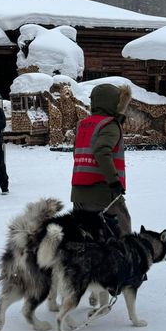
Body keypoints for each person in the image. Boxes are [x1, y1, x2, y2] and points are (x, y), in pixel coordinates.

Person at [71, 82, 132, 236]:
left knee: (88, 237)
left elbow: (77, 152)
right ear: (113, 103)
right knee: (123, 233)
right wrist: (114, 181)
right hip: (103, 191)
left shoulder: (83, 125)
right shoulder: (110, 125)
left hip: (78, 191)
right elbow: (101, 151)